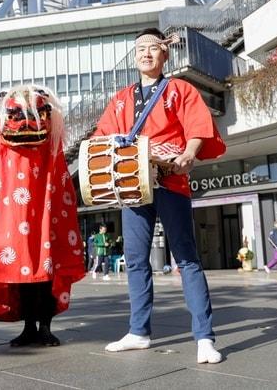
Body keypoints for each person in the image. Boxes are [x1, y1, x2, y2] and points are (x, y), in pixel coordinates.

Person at [94, 28, 226, 364]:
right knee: (136, 260)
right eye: (140, 49)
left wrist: (189, 154)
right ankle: (138, 332)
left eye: (153, 48)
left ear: (164, 54)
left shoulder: (180, 89)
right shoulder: (121, 98)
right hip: (133, 184)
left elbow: (197, 126)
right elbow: (103, 137)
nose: (146, 54)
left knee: (186, 258)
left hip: (170, 180)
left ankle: (205, 338)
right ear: (135, 55)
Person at [0, 85, 85, 347]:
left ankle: (44, 325)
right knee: (19, 267)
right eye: (16, 114)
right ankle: (28, 325)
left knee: (45, 265)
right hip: (13, 211)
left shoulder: (50, 143)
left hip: (43, 207)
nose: (25, 122)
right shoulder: (1, 145)